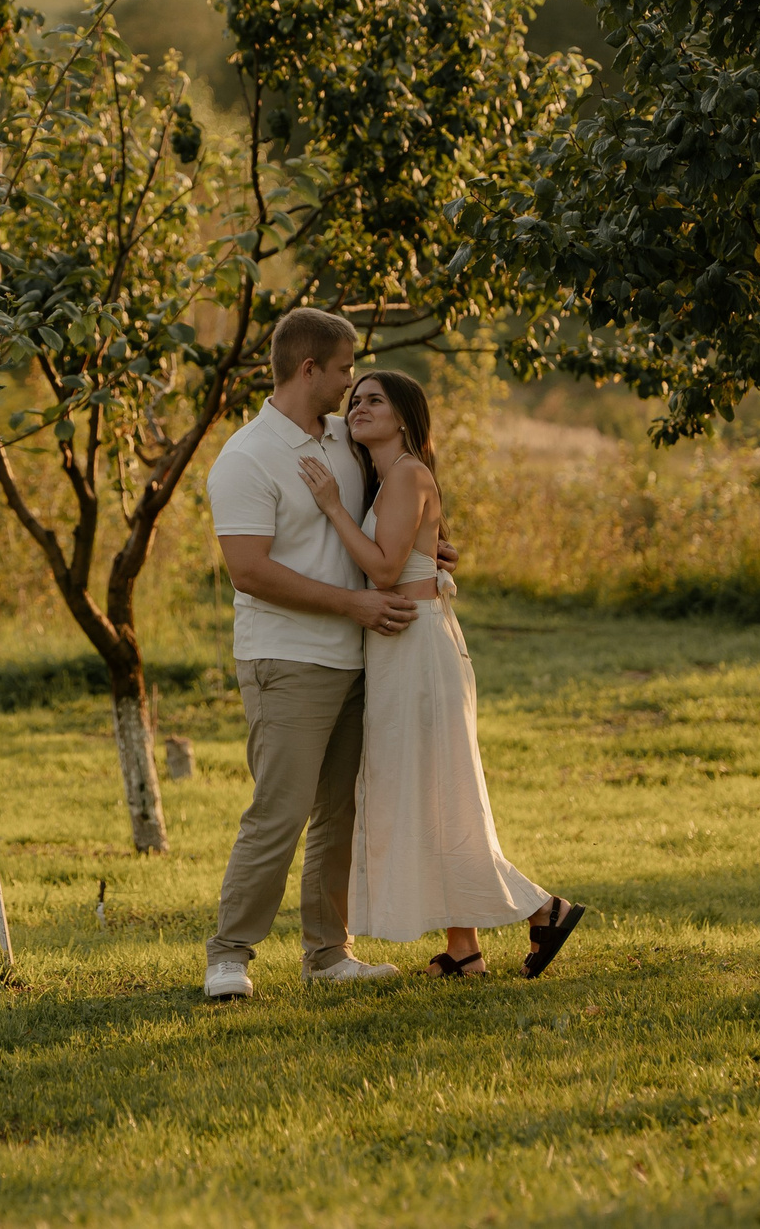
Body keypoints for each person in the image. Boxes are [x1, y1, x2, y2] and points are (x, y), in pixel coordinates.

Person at [296, 369, 586, 979]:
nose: (359, 409)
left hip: (417, 647)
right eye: (355, 401)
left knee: (438, 790)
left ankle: (544, 908)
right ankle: (464, 949)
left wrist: (329, 507)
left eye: (374, 400)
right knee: (433, 792)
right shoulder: (393, 479)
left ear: (404, 416)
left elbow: (381, 571)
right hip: (406, 643)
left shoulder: (404, 473)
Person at [203, 308, 430, 999]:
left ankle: (328, 952)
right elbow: (250, 570)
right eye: (344, 368)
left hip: (360, 656)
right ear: (311, 370)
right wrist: (353, 604)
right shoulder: (245, 457)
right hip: (288, 657)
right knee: (281, 807)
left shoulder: (345, 437)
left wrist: (424, 549)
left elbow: (389, 512)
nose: (352, 379)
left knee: (340, 810)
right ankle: (229, 956)